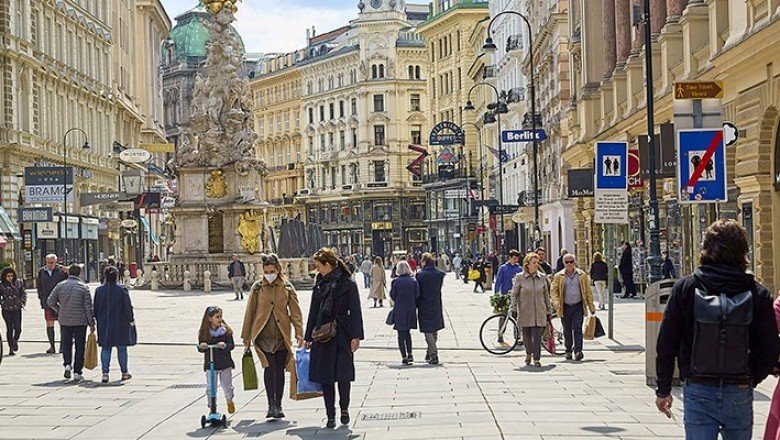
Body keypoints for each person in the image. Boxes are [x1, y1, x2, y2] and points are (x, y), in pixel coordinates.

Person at [655, 220, 779, 438]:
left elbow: (667, 343)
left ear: (706, 249)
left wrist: (664, 389)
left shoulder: (686, 288)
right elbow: (769, 349)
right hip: (739, 390)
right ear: (743, 251)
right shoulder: (757, 293)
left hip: (698, 386)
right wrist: (749, 378)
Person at [304, 248, 364, 429]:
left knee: (343, 375)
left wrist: (356, 336)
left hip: (342, 334)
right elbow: (313, 311)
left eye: (318, 266)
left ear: (328, 265)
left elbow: (356, 311)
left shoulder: (348, 284)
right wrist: (308, 336)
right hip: (323, 335)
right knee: (326, 377)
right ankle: (330, 414)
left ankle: (344, 408)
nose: (317, 270)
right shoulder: (320, 284)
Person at [241, 254, 303, 419]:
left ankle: (279, 404)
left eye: (272, 271)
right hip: (263, 334)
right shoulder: (257, 288)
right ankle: (270, 404)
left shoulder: (287, 287)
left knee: (280, 370)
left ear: (278, 269)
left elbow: (295, 312)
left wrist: (299, 331)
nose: (269, 274)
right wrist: (246, 335)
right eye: (266, 271)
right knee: (269, 368)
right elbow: (250, 312)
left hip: (281, 334)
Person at [47, 264, 95, 382]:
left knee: (66, 344)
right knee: (80, 347)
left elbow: (50, 301)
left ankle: (67, 364)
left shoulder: (60, 286)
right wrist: (92, 324)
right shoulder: (83, 287)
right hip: (80, 321)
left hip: (65, 320)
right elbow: (88, 307)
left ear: (68, 273)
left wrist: (59, 310)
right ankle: (78, 372)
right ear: (79, 273)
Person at [550, 254, 596, 361]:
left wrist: (591, 306)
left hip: (578, 306)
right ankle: (568, 351)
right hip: (564, 306)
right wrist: (556, 302)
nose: (569, 264)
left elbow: (588, 292)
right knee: (567, 330)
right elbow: (553, 290)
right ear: (563, 263)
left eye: (571, 261)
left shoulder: (582, 275)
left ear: (575, 262)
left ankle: (578, 351)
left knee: (577, 328)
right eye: (567, 262)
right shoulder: (559, 276)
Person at [94, 266, 135, 383]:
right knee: (122, 348)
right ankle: (124, 372)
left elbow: (95, 308)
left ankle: (105, 373)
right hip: (120, 323)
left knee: (106, 348)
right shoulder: (122, 290)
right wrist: (131, 320)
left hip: (104, 323)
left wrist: (96, 320)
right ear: (117, 276)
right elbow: (127, 307)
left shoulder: (99, 290)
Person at [511, 253, 552, 367]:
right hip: (525, 311)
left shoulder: (542, 277)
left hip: (540, 311)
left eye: (537, 262)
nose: (536, 265)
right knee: (527, 336)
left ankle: (537, 358)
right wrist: (513, 307)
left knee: (537, 336)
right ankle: (528, 353)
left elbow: (546, 295)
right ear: (527, 264)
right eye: (534, 263)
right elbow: (514, 294)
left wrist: (549, 309)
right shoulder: (520, 277)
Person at [198, 306, 236, 414]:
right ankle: (212, 407)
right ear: (209, 318)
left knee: (226, 386)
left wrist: (224, 345)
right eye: (217, 317)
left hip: (224, 363)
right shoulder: (205, 332)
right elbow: (201, 346)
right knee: (211, 387)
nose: (219, 319)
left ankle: (229, 399)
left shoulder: (225, 331)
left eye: (220, 317)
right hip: (211, 364)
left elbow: (231, 345)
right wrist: (202, 346)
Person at [415, 253, 445, 365]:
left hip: (423, 304)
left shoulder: (420, 275)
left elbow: (418, 291)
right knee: (434, 329)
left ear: (424, 261)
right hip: (436, 303)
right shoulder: (439, 274)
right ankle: (429, 351)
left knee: (427, 330)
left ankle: (433, 354)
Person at [390, 261, 419, 365]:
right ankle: (410, 353)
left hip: (400, 309)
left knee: (400, 334)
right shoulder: (413, 280)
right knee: (407, 332)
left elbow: (393, 295)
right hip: (410, 308)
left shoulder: (395, 281)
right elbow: (417, 294)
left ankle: (404, 356)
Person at [37, 254, 68, 354]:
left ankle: (63, 346)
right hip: (47, 302)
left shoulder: (61, 271)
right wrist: (41, 299)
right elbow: (39, 286)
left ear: (56, 262)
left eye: (52, 263)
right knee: (49, 323)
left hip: (61, 302)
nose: (50, 265)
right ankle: (52, 346)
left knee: (63, 324)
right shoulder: (42, 272)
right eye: (48, 263)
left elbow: (68, 282)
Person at [0, 267, 26, 356]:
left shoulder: (18, 283)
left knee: (18, 328)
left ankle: (15, 340)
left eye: (11, 276)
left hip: (17, 309)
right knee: (9, 328)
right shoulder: (1, 285)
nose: (10, 278)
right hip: (6, 309)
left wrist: (22, 301)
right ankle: (11, 347)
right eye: (8, 276)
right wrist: (3, 302)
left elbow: (23, 293)